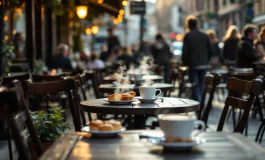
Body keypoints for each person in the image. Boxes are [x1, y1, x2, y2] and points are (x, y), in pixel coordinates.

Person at [182, 15, 213, 102]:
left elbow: (185, 52)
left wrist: (186, 63)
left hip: (193, 65)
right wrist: (206, 60)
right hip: (203, 64)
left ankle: (198, 104)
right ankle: (201, 104)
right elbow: (211, 50)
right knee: (202, 85)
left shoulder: (188, 36)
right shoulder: (204, 35)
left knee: (194, 86)